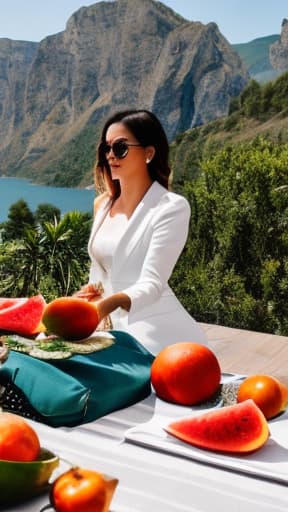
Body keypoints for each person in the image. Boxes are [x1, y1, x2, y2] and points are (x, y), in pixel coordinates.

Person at [76, 109, 207, 355]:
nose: (111, 156)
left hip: (153, 331)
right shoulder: (102, 205)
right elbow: (101, 272)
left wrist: (108, 304)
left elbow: (153, 283)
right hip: (104, 328)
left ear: (149, 153)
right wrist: (88, 296)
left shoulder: (171, 208)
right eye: (107, 148)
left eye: (120, 148)